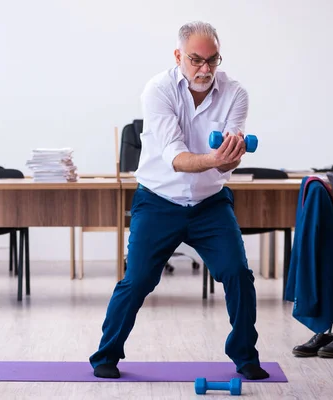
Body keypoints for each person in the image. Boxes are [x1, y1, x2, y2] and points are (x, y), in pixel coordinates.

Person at [88, 21, 270, 381]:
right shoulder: (158, 90)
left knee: (237, 274)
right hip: (158, 200)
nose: (205, 69)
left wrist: (231, 156)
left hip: (210, 203)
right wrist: (217, 159)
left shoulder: (236, 93)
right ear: (178, 56)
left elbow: (231, 156)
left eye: (212, 60)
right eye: (196, 60)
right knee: (137, 279)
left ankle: (245, 356)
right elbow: (176, 156)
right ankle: (106, 355)